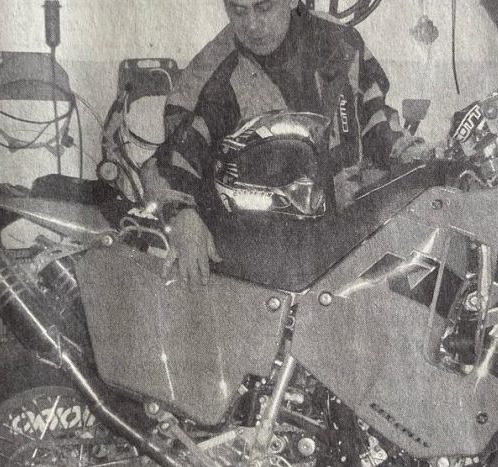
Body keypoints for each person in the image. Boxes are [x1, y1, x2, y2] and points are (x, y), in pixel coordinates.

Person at [141, 0, 428, 287]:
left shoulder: (341, 43)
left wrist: (409, 153)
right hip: (270, 253)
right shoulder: (214, 73)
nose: (252, 25)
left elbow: (375, 119)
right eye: (238, 11)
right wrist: (181, 215)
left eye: (263, 7)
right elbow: (169, 161)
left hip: (349, 229)